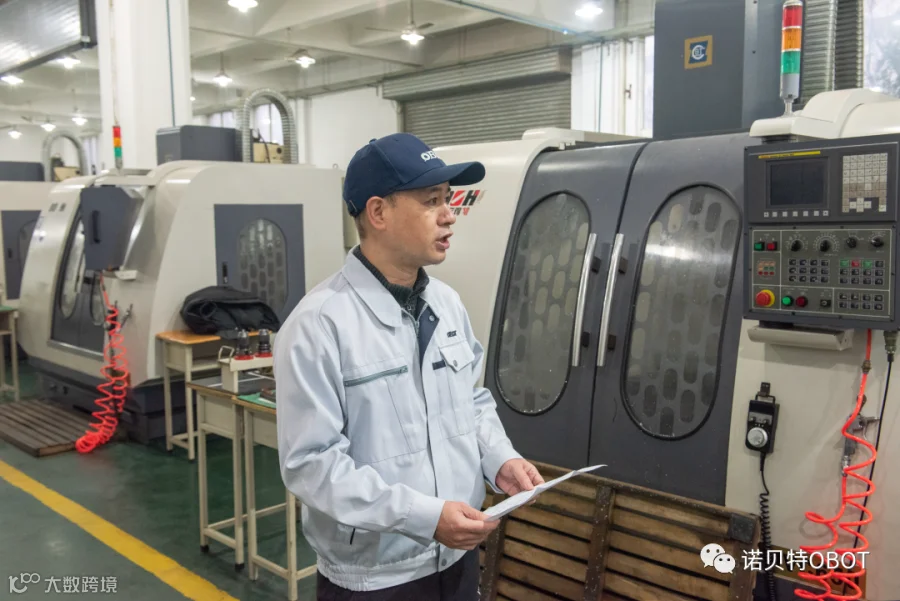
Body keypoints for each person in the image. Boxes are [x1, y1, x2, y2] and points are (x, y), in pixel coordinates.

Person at [275, 133, 544, 599]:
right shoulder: (320, 324)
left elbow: (471, 403)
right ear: (378, 213)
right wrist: (423, 517)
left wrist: (499, 458)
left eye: (447, 199)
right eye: (431, 201)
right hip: (375, 579)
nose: (449, 215)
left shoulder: (447, 304)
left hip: (457, 561)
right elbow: (312, 465)